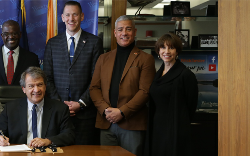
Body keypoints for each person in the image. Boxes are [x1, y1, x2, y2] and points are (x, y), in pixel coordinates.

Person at [89, 15, 155, 155]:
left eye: (128, 29)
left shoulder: (146, 59)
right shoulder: (103, 58)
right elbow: (94, 88)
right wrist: (106, 109)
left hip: (132, 123)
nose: (124, 33)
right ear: (115, 33)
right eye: (120, 29)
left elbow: (145, 91)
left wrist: (122, 112)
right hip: (106, 122)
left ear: (135, 32)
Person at [43, 1, 103, 145]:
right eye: (68, 15)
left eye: (75, 14)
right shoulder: (52, 43)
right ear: (62, 17)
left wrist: (81, 103)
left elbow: (97, 78)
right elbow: (47, 77)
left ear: (82, 16)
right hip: (57, 113)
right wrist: (59, 103)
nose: (71, 18)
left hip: (85, 114)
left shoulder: (94, 42)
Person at [0, 67, 75, 147]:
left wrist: (48, 141)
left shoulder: (60, 108)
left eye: (40, 85)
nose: (36, 90)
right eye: (31, 86)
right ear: (23, 89)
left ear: (45, 86)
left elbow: (69, 135)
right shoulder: (10, 108)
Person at [145, 33, 198, 156]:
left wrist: (180, 125)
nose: (166, 51)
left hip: (175, 128)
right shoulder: (158, 73)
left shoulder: (186, 75)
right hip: (156, 126)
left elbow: (191, 107)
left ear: (177, 51)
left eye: (171, 47)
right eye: (163, 47)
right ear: (158, 51)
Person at [0, 20, 40, 85]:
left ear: (20, 35)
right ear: (2, 36)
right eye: (6, 34)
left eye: (14, 33)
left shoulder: (32, 58)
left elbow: (35, 83)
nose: (11, 37)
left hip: (21, 95)